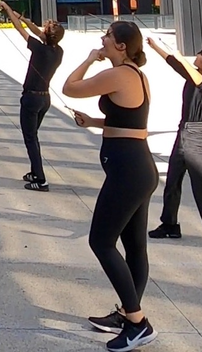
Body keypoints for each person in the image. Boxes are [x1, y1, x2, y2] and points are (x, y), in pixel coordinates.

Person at [63, 21, 158, 352]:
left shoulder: (118, 74)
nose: (102, 40)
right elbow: (129, 119)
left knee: (101, 241)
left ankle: (138, 323)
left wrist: (90, 59)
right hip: (137, 167)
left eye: (107, 36)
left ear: (121, 46)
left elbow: (70, 87)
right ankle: (127, 314)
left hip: (128, 171)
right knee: (134, 246)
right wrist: (93, 122)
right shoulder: (135, 75)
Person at [146, 37, 202, 252]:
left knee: (201, 186)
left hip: (199, 137)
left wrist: (180, 57)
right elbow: (174, 63)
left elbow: (199, 81)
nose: (196, 56)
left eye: (200, 55)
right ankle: (170, 225)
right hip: (183, 132)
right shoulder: (194, 76)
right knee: (172, 181)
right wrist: (155, 46)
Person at [0, 0, 64, 191]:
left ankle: (41, 180)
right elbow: (37, 32)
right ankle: (35, 172)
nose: (41, 30)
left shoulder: (39, 48)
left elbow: (20, 30)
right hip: (44, 99)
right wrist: (24, 18)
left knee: (30, 139)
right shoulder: (57, 51)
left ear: (46, 35)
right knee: (33, 137)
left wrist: (8, 10)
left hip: (31, 99)